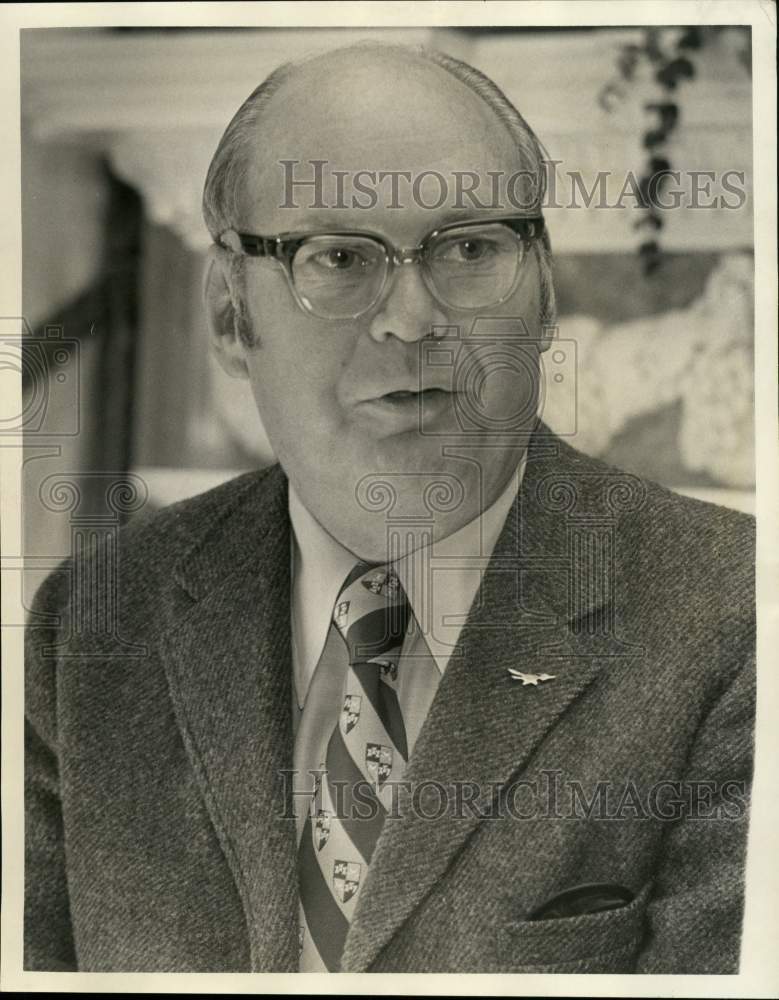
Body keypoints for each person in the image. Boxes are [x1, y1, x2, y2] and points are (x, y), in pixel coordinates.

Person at [24, 42, 755, 974]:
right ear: (228, 317)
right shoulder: (89, 624)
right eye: (336, 256)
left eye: (472, 248)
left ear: (542, 295)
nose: (411, 318)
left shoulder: (734, 616)